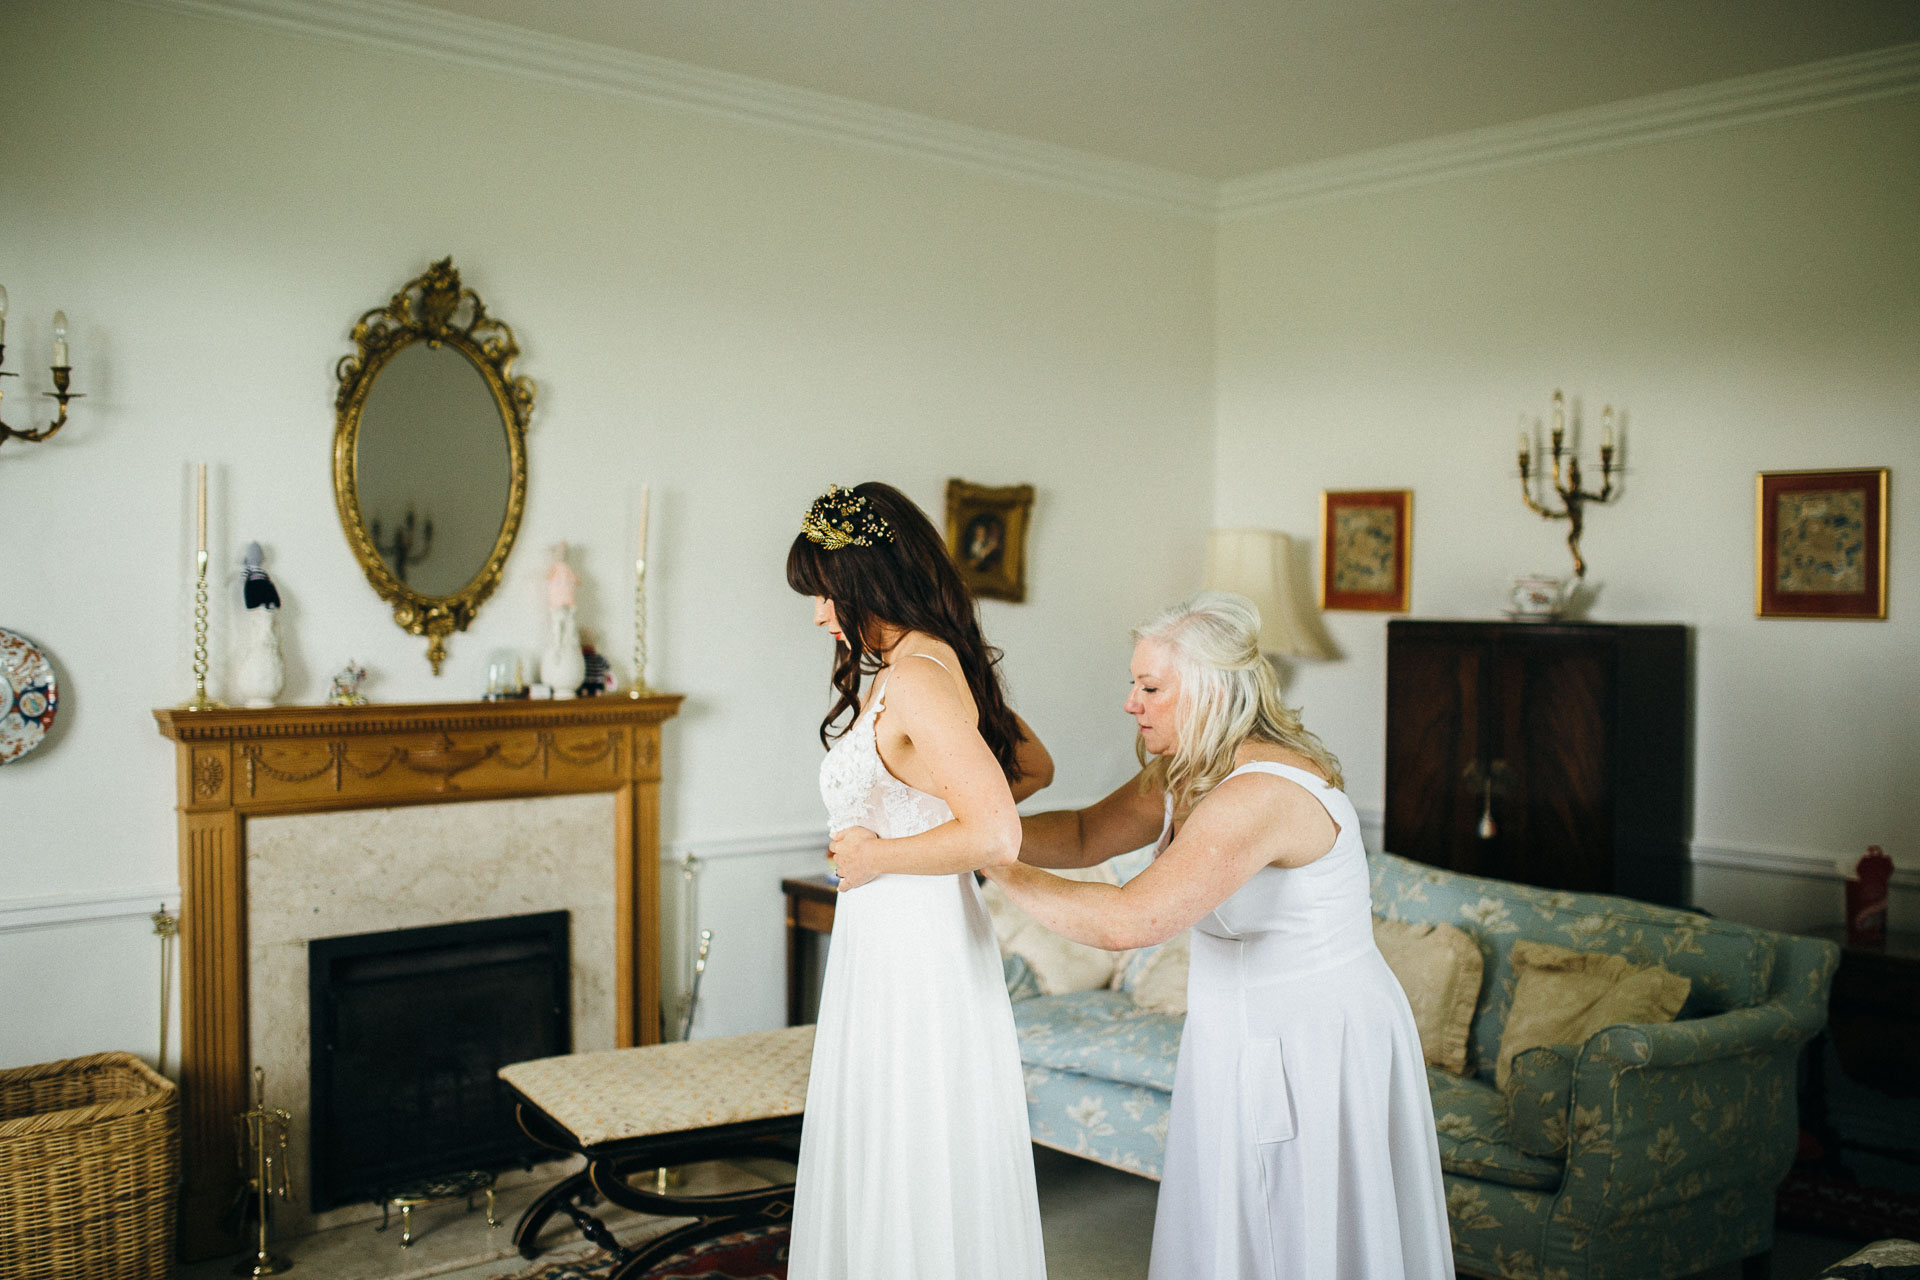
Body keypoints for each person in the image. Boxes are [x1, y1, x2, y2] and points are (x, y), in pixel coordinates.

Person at [982, 591, 1453, 1280]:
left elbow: (1130, 921)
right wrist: (977, 833)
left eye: (1149, 686)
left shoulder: (1259, 795)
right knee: (1239, 1224)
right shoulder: (1186, 772)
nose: (1130, 702)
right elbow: (1085, 833)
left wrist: (987, 864)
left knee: (1301, 1228)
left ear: (1207, 691)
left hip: (1312, 1038)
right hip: (1236, 1027)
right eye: (1132, 683)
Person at [785, 481, 1054, 1280]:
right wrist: (932, 804)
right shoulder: (917, 661)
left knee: (913, 1144)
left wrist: (879, 855)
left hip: (916, 945)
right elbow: (1031, 766)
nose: (818, 616)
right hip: (896, 937)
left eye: (824, 594)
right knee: (891, 1143)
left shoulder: (920, 675)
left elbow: (997, 828)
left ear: (866, 579)